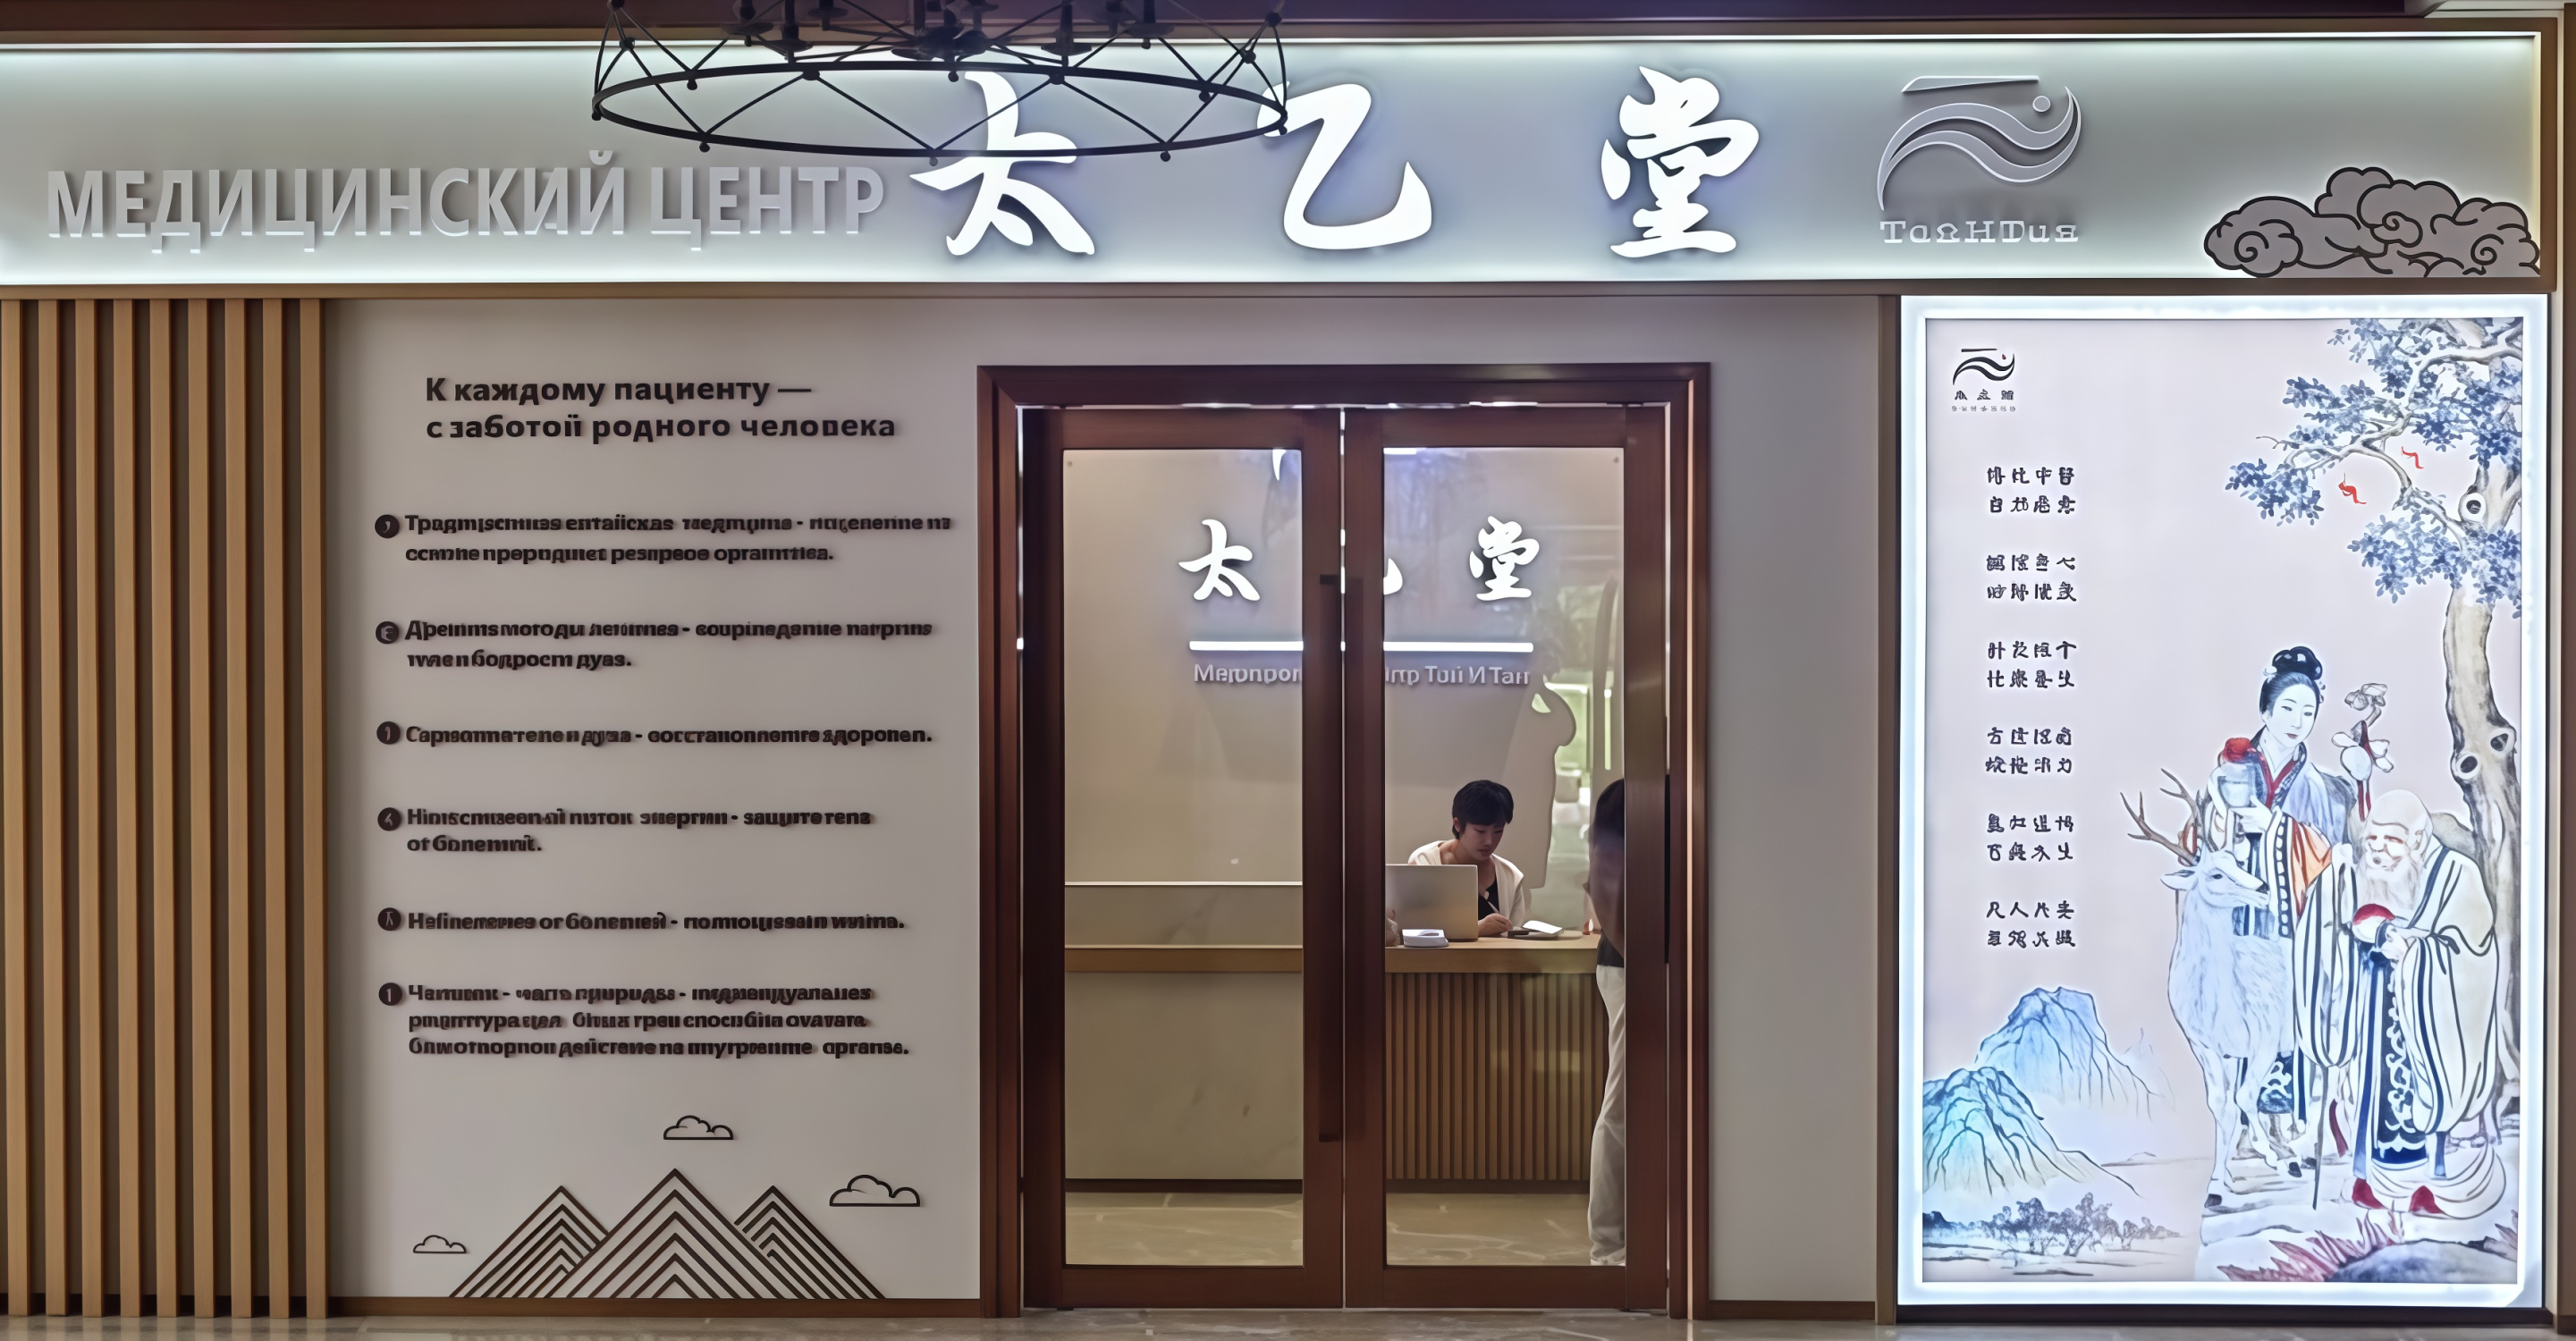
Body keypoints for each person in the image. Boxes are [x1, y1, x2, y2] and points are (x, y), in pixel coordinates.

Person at [2208, 645, 2383, 1177]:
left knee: (2289, 1014)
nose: (2297, 721)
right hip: (2237, 920)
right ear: (2266, 708)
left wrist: (2278, 829)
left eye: (2308, 712)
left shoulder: (2323, 789)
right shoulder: (2233, 769)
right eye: (2287, 708)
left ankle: (2285, 1123)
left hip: (2296, 925)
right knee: (2234, 1009)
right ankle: (2238, 1126)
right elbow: (2203, 839)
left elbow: (2335, 855)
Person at [2343, 789, 2505, 1219]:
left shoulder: (2458, 875)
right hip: (2382, 1012)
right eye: (2372, 839)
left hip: (2436, 1015)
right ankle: (2382, 1185)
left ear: (2417, 839)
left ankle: (2444, 1189)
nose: (2378, 851)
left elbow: (2470, 952)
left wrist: (2414, 953)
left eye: (2391, 840)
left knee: (2428, 1100)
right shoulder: (2373, 874)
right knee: (2381, 1099)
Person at [1583, 780, 1626, 1267]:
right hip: (1632, 968)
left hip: (1637, 966)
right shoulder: (1629, 800)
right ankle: (1610, 1248)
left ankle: (1616, 1243)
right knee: (1622, 1106)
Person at [1407, 780, 1525, 938]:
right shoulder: (1425, 862)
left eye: (1498, 831)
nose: (1489, 841)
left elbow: (1516, 937)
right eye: (1480, 831)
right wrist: (1477, 928)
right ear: (1457, 824)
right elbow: (1412, 929)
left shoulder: (1510, 876)